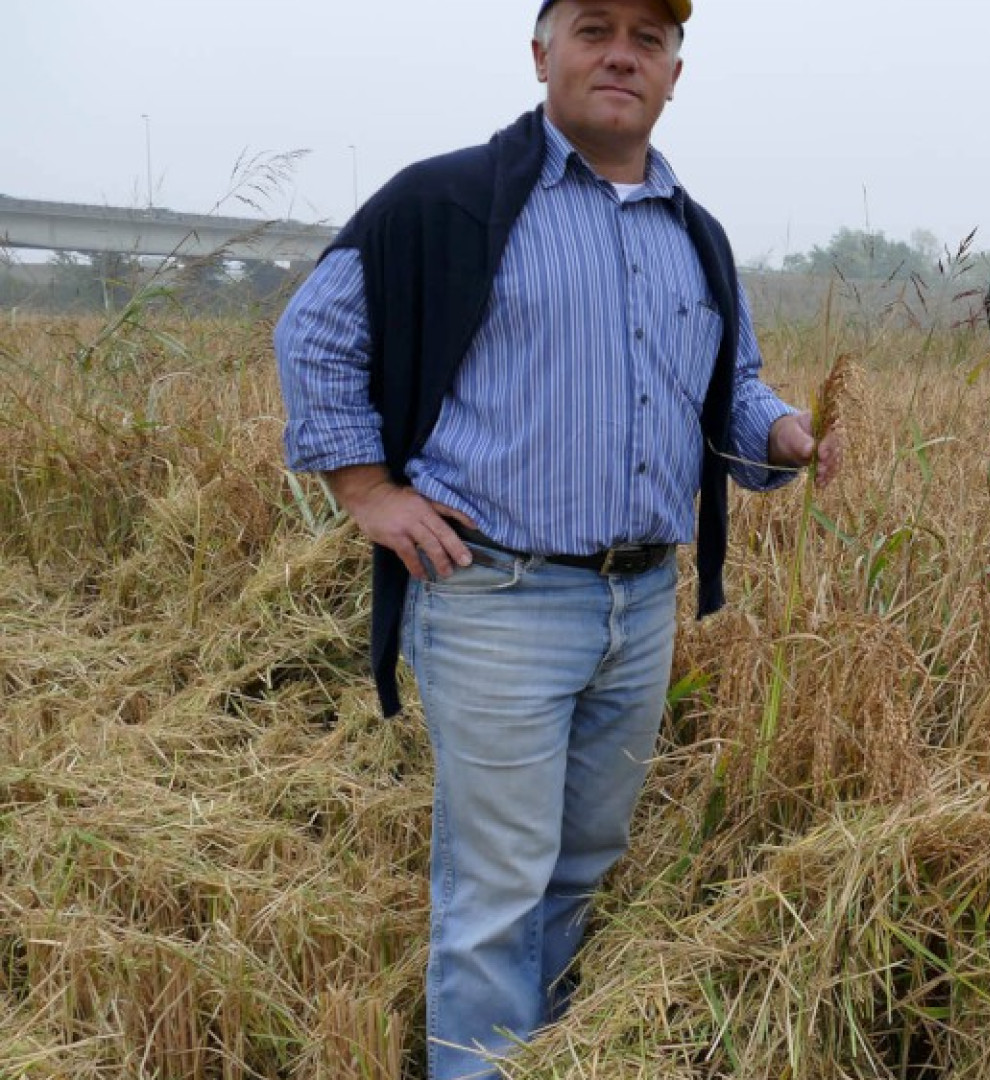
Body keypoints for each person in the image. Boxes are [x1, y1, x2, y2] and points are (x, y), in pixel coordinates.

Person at [273, 0, 843, 1075]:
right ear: (543, 53)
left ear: (678, 69)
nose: (622, 52)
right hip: (497, 597)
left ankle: (543, 1052)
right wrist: (368, 491)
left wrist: (785, 433)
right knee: (498, 885)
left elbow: (732, 388)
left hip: (639, 605)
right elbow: (314, 333)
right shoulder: (446, 200)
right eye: (593, 28)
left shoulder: (695, 234)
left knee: (582, 864)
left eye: (649, 35)